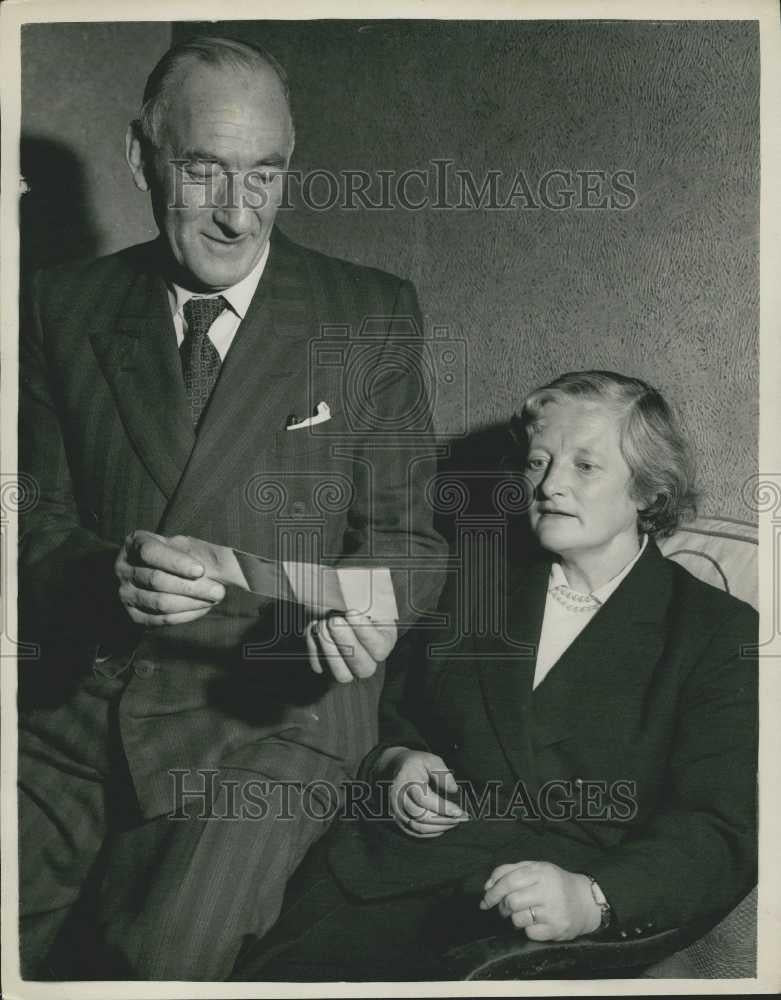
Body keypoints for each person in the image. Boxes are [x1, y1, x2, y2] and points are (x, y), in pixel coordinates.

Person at [18, 36, 446, 980]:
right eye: (203, 170)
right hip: (74, 715)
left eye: (265, 175)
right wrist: (103, 574)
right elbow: (28, 516)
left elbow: (409, 544)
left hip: (273, 715)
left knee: (155, 963)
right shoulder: (59, 306)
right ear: (141, 159)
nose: (236, 214)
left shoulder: (364, 314)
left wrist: (364, 605)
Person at [234, 370, 758, 982]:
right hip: (380, 876)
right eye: (539, 462)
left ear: (646, 489)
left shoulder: (717, 632)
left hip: (526, 928)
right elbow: (391, 709)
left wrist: (592, 898)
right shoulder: (473, 583)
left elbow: (721, 827)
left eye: (586, 466)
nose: (551, 484)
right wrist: (398, 762)